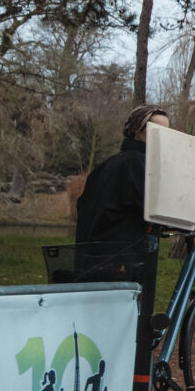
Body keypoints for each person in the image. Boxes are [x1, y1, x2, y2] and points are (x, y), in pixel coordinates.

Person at [75, 103, 170, 282]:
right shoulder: (136, 164)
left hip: (91, 262)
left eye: (167, 132)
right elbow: (163, 205)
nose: (163, 137)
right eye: (157, 130)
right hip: (119, 265)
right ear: (136, 131)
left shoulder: (108, 165)